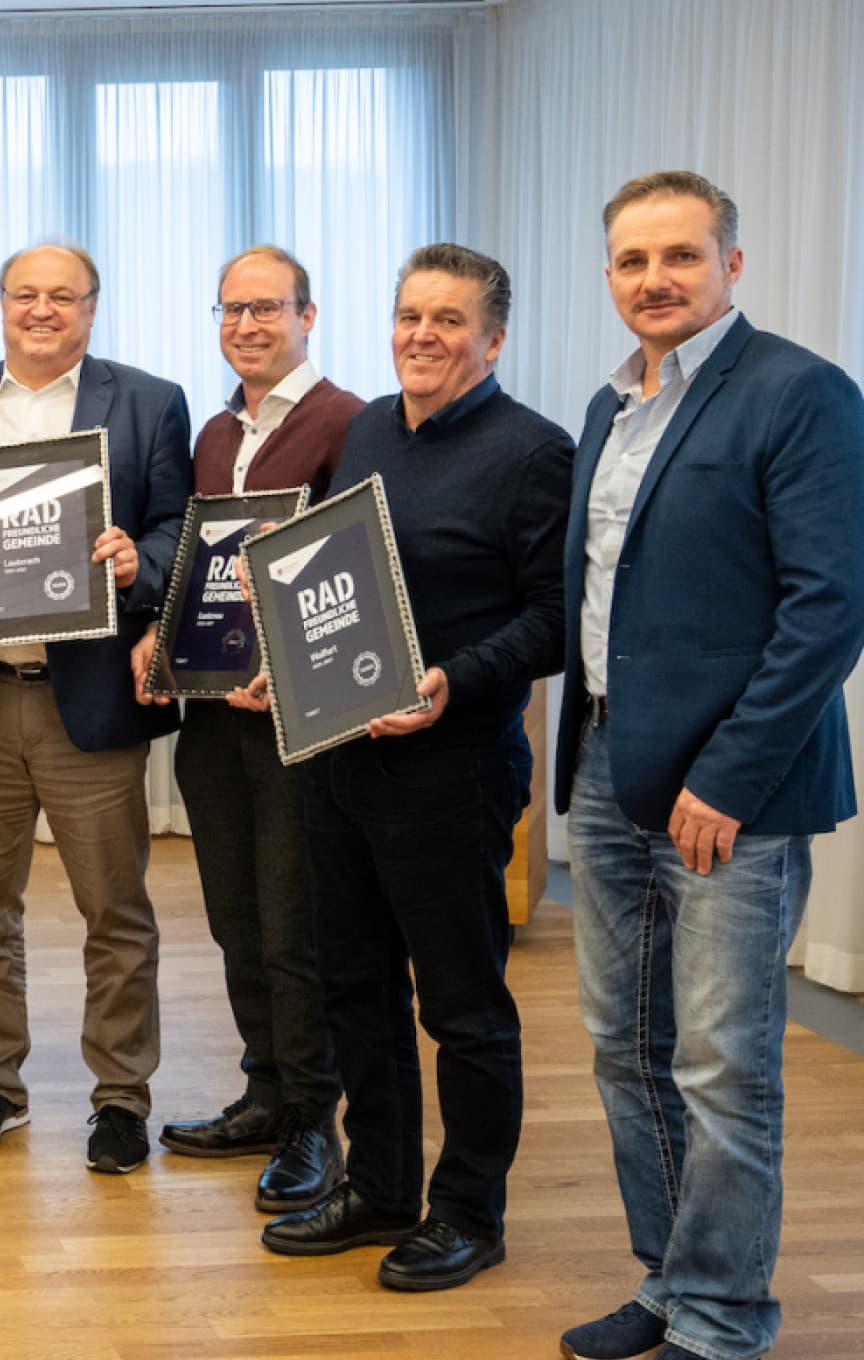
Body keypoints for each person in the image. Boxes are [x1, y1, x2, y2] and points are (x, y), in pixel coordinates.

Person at [553, 173, 864, 1360]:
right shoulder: (608, 408)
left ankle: (723, 1316)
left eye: (679, 255)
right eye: (631, 260)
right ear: (607, 276)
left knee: (722, 1065)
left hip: (732, 792)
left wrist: (727, 776)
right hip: (606, 765)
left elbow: (827, 605)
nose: (654, 279)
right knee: (622, 1046)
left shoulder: (798, 391)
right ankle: (667, 1279)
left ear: (730, 263)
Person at [260, 244, 573, 1293]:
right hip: (340, 760)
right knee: (353, 986)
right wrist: (283, 654)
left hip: (452, 769)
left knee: (460, 1004)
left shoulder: (535, 451)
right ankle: (382, 1186)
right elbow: (340, 586)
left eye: (447, 320)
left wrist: (450, 679)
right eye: (408, 316)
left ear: (493, 339)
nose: (422, 336)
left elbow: (554, 621)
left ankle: (468, 1212)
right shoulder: (366, 431)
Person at [0, 240, 191, 1173]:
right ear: (1, 303)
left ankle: (121, 1099)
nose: (41, 309)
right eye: (24, 294)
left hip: (92, 698)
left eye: (62, 296)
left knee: (114, 911)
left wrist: (139, 562)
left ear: (91, 307)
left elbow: (177, 529)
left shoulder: (149, 400)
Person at [133, 246, 360, 1212]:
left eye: (267, 308)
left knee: (292, 925)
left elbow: (357, 571)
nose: (247, 326)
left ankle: (313, 1119)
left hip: (296, 722)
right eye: (231, 310)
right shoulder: (217, 432)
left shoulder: (349, 423)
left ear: (308, 315)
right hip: (213, 718)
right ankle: (265, 1092)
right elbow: (202, 562)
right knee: (235, 919)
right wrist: (161, 628)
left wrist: (294, 658)